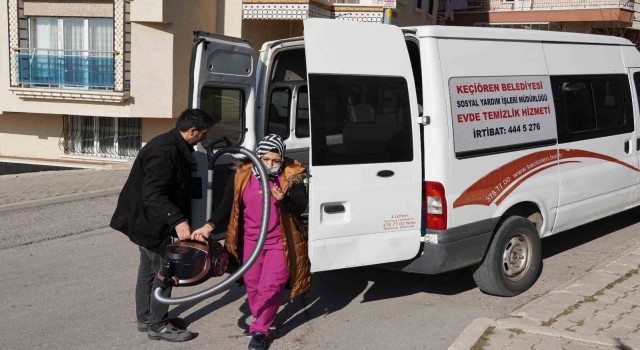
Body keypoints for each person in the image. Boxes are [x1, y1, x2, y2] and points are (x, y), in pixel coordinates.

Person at [192, 134, 311, 350]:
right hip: (251, 241)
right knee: (253, 285)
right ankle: (264, 317)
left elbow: (301, 207)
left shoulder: (291, 177)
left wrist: (284, 199)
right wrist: (208, 226)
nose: (271, 165)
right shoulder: (242, 175)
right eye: (266, 159)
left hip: (280, 242)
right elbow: (227, 206)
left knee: (271, 285)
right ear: (257, 157)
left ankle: (260, 330)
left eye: (276, 160)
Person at [110, 108, 218, 342]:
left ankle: (146, 318)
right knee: (165, 271)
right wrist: (178, 220)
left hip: (145, 220)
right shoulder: (164, 151)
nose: (204, 137)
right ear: (192, 131)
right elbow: (153, 194)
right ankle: (158, 325)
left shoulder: (174, 144)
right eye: (204, 133)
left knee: (148, 270)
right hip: (150, 222)